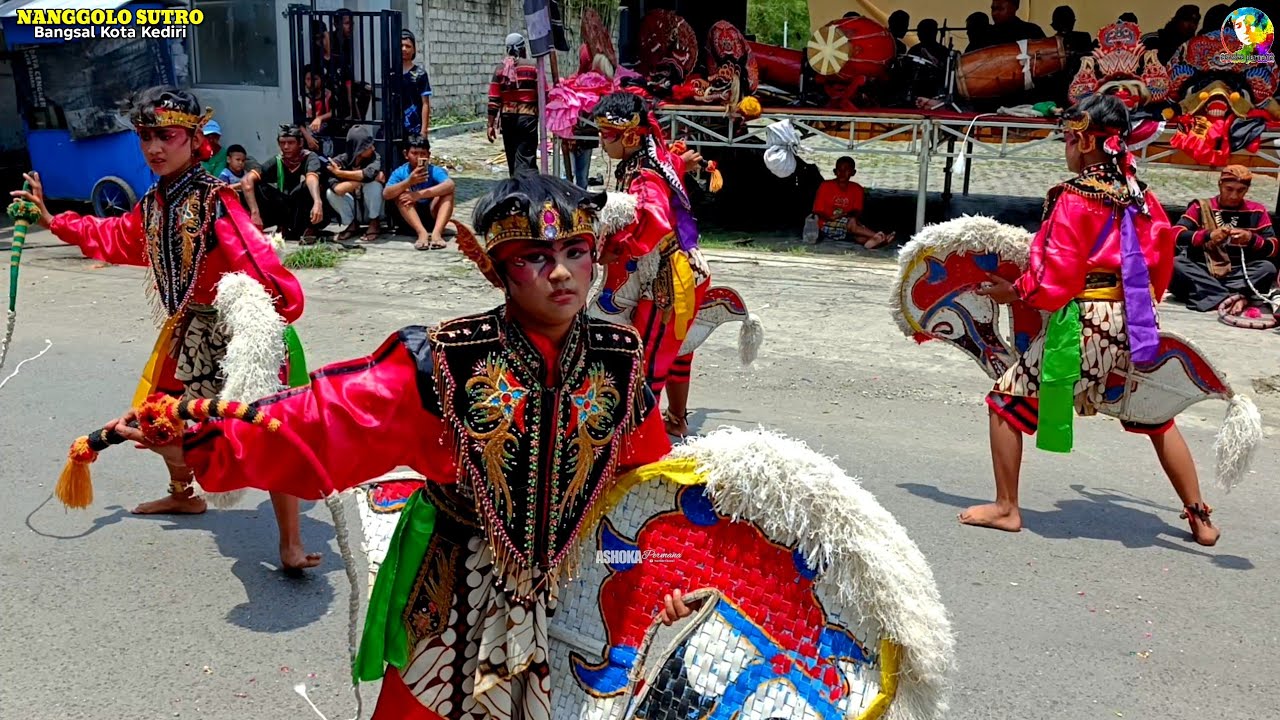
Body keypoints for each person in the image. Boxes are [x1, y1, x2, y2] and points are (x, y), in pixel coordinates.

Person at [108, 174, 695, 719]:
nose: (562, 273)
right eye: (535, 258)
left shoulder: (618, 359)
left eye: (575, 252)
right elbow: (324, 419)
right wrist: (204, 438)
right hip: (455, 588)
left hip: (575, 588)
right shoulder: (448, 361)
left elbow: (646, 488)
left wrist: (664, 576)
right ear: (496, 270)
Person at [8, 86, 321, 570]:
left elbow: (260, 266)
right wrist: (56, 220)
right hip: (188, 332)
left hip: (243, 335)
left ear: (194, 140)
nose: (154, 148)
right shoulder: (156, 202)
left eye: (167, 136)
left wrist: (264, 325)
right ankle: (183, 494)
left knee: (266, 432)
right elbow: (118, 236)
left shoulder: (216, 202)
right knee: (158, 416)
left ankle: (290, 544)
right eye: (147, 137)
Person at [969, 93, 1220, 547]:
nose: (1065, 147)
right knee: (1154, 418)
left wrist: (1016, 291)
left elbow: (1057, 277)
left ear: (1085, 141)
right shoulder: (1140, 196)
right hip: (1132, 320)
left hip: (1084, 321)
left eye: (1068, 138)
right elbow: (1160, 259)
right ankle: (1200, 518)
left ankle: (1007, 508)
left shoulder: (1073, 197)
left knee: (1005, 402)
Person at [591, 91, 714, 436]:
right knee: (674, 351)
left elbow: (653, 217)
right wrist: (684, 164)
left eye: (607, 135)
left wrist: (615, 246)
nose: (602, 142)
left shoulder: (644, 174)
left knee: (649, 358)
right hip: (676, 266)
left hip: (667, 277)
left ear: (630, 135)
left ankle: (639, 437)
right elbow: (670, 166)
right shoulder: (651, 157)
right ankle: (675, 419)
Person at [1169, 165, 1279, 326]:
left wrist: (1251, 239)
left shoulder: (1257, 211)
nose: (1234, 195)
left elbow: (1274, 247)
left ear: (1247, 190)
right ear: (1220, 184)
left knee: (1267, 268)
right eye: (1229, 189)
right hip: (1204, 269)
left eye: (1241, 190)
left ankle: (1212, 295)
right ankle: (1234, 297)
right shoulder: (1200, 207)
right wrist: (1208, 235)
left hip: (1236, 273)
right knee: (1176, 264)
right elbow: (1175, 234)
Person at [242, 125, 326, 242]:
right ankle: (282, 225)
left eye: (291, 143)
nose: (286, 147)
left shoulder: (310, 157)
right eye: (282, 143)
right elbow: (246, 180)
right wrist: (255, 212)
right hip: (285, 206)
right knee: (257, 186)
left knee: (313, 186)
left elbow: (312, 177)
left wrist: (317, 202)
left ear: (300, 143)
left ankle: (310, 228)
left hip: (305, 208)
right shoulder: (278, 160)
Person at [384, 134, 456, 250]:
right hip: (409, 218)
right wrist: (408, 182)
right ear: (406, 154)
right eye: (414, 153)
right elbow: (386, 194)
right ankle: (421, 233)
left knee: (447, 193)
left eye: (422, 154)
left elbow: (450, 185)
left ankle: (437, 233)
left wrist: (417, 195)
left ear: (428, 155)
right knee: (401, 195)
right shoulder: (401, 172)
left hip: (432, 215)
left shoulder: (434, 171)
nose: (418, 158)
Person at [807, 156, 894, 249]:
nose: (842, 173)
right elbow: (817, 211)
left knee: (858, 234)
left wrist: (850, 217)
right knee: (853, 226)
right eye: (839, 170)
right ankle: (882, 237)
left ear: (853, 172)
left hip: (848, 224)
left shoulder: (857, 189)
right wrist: (830, 217)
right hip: (826, 224)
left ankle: (871, 243)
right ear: (835, 171)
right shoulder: (825, 186)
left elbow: (857, 211)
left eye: (847, 170)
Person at [487, 32, 540, 177]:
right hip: (528, 119)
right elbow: (543, 94)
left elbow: (494, 99)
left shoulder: (500, 69)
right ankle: (529, 191)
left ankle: (515, 190)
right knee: (527, 158)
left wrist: (490, 125)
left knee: (512, 158)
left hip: (507, 119)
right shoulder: (533, 67)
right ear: (523, 49)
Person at [325, 125, 385, 243]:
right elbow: (338, 189)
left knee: (374, 186)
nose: (372, 148)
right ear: (359, 148)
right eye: (368, 146)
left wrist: (340, 174)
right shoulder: (339, 161)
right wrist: (363, 179)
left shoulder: (374, 157)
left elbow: (368, 174)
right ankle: (351, 224)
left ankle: (374, 223)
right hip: (355, 210)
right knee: (330, 193)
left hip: (371, 209)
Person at [397, 30, 433, 137]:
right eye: (401, 46)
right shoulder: (392, 73)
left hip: (414, 128)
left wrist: (424, 130)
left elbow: (425, 103)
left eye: (408, 46)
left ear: (414, 50)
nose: (404, 49)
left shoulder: (420, 74)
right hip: (396, 129)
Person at [975, 0, 1045, 51]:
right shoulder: (985, 35)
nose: (995, 13)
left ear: (1015, 7)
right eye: (993, 9)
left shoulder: (1032, 31)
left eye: (1000, 9)